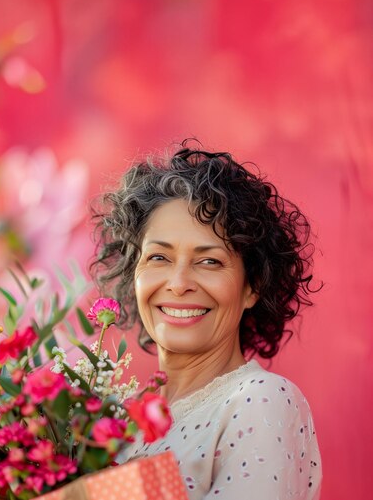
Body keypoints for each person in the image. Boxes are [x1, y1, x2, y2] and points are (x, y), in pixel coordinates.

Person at [92, 144, 322, 499]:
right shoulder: (109, 422)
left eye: (209, 261)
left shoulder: (258, 401)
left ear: (252, 286)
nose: (179, 283)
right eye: (158, 257)